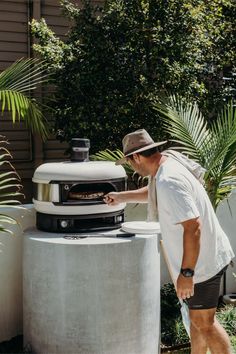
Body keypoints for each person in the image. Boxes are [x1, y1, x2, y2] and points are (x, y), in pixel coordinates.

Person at [104, 129, 235, 354]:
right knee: (197, 322)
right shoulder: (166, 167)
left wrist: (186, 274)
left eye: (129, 162)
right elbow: (153, 192)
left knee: (205, 324)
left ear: (136, 157)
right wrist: (121, 197)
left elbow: (193, 227)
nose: (131, 167)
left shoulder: (168, 180)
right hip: (202, 260)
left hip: (202, 265)